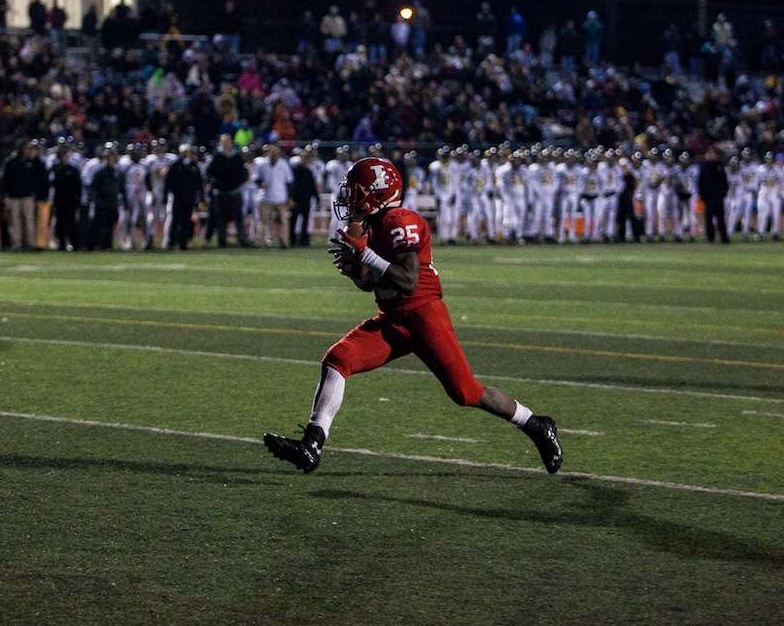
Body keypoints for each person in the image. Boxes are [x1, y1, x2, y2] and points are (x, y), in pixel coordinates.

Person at [263, 157, 562, 474]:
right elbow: (371, 284)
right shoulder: (372, 225)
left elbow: (407, 281)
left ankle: (535, 424)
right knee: (338, 359)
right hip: (392, 317)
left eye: (356, 191)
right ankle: (312, 444)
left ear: (377, 193)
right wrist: (354, 271)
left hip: (424, 315)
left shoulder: (401, 220)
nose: (349, 198)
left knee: (466, 392)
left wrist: (363, 254)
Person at [0, 140, 45, 250]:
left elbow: (37, 179)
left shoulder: (32, 162)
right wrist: (5, 195)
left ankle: (30, 243)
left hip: (28, 196)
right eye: (25, 148)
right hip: (14, 196)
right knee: (15, 221)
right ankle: (17, 243)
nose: (27, 150)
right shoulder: (10, 162)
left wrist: (35, 193)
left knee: (29, 220)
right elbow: (5, 180)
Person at [206, 134, 251, 247]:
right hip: (221, 192)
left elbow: (243, 172)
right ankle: (222, 241)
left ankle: (242, 240)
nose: (226, 144)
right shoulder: (217, 156)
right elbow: (210, 173)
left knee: (238, 218)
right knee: (221, 218)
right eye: (223, 142)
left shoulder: (237, 156)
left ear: (231, 142)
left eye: (227, 142)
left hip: (235, 191)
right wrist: (215, 183)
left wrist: (239, 182)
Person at [165, 145, 204, 250]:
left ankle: (183, 242)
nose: (187, 154)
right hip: (178, 197)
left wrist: (201, 197)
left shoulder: (194, 166)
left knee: (186, 220)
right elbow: (168, 183)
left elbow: (199, 183)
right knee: (175, 220)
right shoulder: (175, 165)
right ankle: (171, 241)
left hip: (189, 197)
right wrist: (167, 195)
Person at [89, 146, 125, 250]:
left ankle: (107, 245)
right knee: (99, 225)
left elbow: (121, 188)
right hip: (101, 203)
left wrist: (124, 201)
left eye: (112, 156)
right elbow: (94, 187)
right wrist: (94, 200)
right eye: (109, 156)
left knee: (110, 226)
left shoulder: (117, 172)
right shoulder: (99, 172)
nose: (111, 158)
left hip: (113, 202)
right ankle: (95, 245)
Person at [696, 147, 730, 243]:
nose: (711, 155)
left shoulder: (720, 165)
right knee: (708, 218)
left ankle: (724, 237)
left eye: (713, 154)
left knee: (721, 218)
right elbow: (700, 182)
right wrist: (702, 195)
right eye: (709, 153)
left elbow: (724, 181)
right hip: (708, 196)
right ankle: (710, 237)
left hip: (718, 196)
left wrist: (723, 193)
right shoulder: (704, 166)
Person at [51, 147, 82, 251]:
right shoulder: (55, 168)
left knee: (72, 223)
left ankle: (74, 244)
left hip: (71, 200)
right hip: (59, 200)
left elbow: (78, 186)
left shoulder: (73, 169)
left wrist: (77, 199)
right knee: (60, 223)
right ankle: (62, 244)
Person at [288, 148, 319, 247]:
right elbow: (292, 186)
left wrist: (316, 197)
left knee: (305, 220)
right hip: (296, 198)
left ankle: (303, 240)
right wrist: (291, 198)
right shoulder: (295, 170)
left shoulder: (308, 171)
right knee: (294, 220)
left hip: (306, 199)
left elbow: (312, 186)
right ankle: (292, 240)